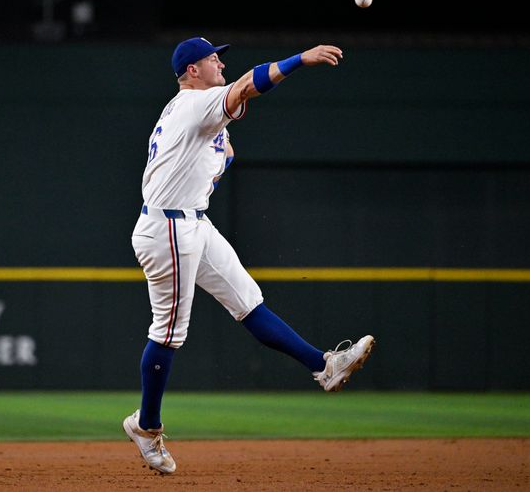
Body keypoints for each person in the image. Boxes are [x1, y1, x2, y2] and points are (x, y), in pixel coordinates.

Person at [123, 37, 375, 474]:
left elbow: (219, 150)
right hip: (168, 228)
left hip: (192, 221)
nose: (219, 60)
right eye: (210, 57)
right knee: (168, 333)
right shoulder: (193, 103)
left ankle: (325, 365)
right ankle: (146, 427)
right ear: (192, 70)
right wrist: (301, 59)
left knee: (249, 302)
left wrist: (217, 154)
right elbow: (246, 86)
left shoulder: (192, 112)